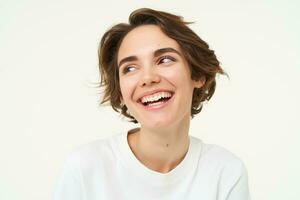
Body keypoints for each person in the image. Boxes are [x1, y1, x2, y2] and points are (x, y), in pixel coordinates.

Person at [54, 8, 251, 200]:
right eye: (130, 68)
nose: (147, 78)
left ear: (197, 74)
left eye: (165, 59)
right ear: (121, 92)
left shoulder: (226, 172)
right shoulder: (84, 168)